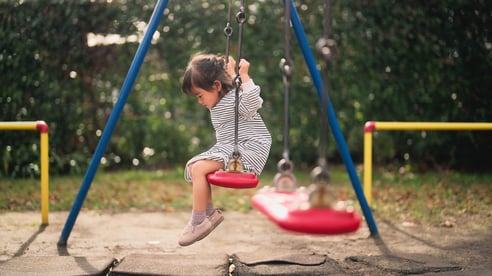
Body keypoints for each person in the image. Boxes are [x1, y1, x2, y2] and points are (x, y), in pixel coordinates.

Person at [178, 53, 272, 246]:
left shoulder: (234, 99)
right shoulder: (224, 97)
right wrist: (231, 75)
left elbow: (253, 102)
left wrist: (244, 75)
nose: (200, 101)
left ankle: (198, 221)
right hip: (229, 148)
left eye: (200, 95)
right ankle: (209, 213)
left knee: (198, 169)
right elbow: (232, 89)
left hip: (250, 148)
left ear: (216, 86)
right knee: (193, 166)